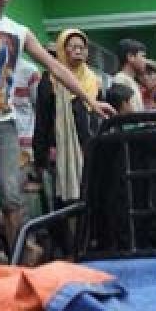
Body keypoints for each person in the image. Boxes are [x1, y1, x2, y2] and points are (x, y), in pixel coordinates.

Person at [0, 0, 114, 263]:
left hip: (4, 124)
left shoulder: (18, 31)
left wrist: (89, 101)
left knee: (12, 196)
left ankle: (16, 258)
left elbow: (57, 68)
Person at [32, 29, 101, 207]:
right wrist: (42, 154)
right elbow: (43, 118)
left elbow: (97, 116)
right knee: (63, 200)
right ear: (63, 50)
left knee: (91, 195)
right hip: (59, 150)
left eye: (82, 47)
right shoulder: (51, 80)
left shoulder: (93, 80)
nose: (78, 51)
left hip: (89, 148)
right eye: (72, 47)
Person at [112, 38, 146, 113]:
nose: (145, 61)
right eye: (143, 56)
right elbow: (126, 113)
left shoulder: (131, 80)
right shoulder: (120, 80)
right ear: (130, 57)